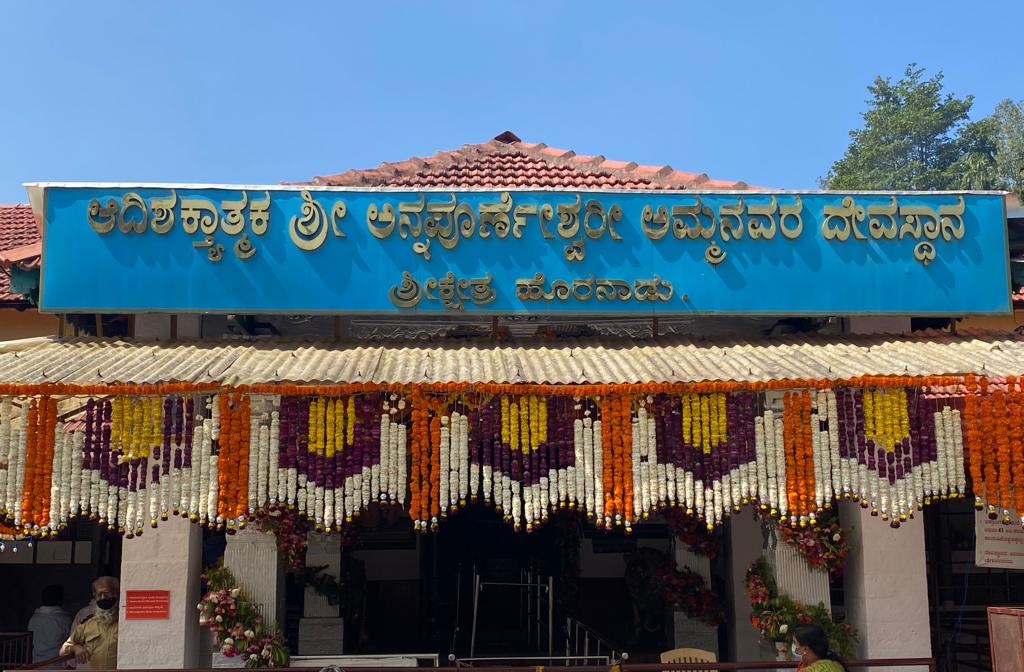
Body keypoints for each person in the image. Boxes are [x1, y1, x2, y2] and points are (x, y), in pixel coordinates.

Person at [60, 577, 119, 671]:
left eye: (107, 594)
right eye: (99, 595)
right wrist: (75, 648)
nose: (103, 598)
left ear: (116, 595)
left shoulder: (123, 624)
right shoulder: (88, 623)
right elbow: (63, 650)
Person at [27, 584, 72, 667]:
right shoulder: (64, 619)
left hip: (37, 663)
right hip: (57, 664)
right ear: (60, 600)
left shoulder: (34, 618)